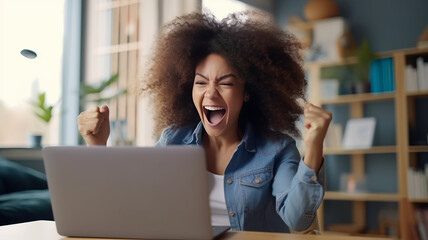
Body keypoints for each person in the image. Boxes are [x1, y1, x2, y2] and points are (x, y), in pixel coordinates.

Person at [77, 10, 332, 233]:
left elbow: (298, 220)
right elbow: (133, 206)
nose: (210, 93)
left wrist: (313, 148)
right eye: (200, 82)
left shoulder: (277, 149)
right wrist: (96, 145)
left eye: (226, 83)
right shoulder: (172, 141)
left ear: (247, 93)